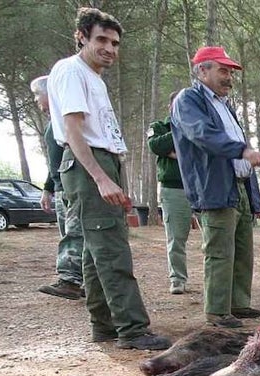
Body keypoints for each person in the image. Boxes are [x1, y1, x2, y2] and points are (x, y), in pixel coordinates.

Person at [45, 7, 169, 350]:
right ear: (81, 37)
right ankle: (133, 329)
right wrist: (99, 177)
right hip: (90, 164)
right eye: (101, 40)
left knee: (95, 251)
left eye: (115, 43)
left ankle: (103, 326)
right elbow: (72, 130)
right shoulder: (71, 71)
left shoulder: (92, 76)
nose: (110, 49)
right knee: (112, 249)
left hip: (104, 161)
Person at [171, 45, 260, 328]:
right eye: (223, 70)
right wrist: (241, 150)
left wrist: (254, 194)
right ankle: (216, 310)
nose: (229, 77)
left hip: (238, 185)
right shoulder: (189, 100)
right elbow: (202, 133)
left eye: (230, 72)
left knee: (242, 249)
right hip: (213, 186)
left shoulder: (225, 106)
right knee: (219, 250)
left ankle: (238, 303)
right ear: (202, 70)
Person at [31, 74, 84, 301]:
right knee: (68, 232)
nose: (36, 100)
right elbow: (56, 162)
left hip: (72, 186)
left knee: (74, 234)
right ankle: (80, 281)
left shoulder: (66, 121)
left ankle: (70, 280)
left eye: (36, 94)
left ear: (50, 93)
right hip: (61, 185)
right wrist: (48, 188)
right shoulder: (53, 123)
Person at [148, 91, 194, 295]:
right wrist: (179, 127)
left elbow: (201, 151)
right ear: (171, 107)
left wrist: (177, 153)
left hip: (201, 186)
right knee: (176, 237)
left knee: (214, 236)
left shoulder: (198, 125)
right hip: (173, 188)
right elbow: (157, 145)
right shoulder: (159, 127)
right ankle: (177, 278)